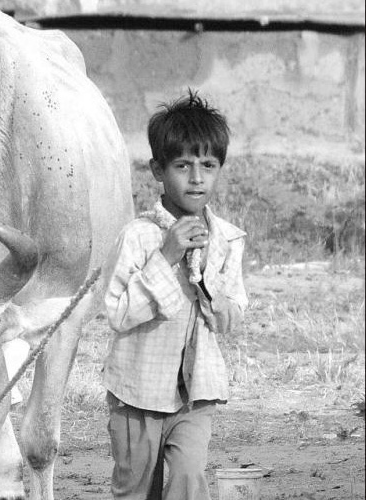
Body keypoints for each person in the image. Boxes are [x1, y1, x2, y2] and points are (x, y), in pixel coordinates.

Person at [102, 90, 248, 500]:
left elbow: (230, 316)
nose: (197, 178)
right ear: (158, 170)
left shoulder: (227, 239)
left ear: (220, 169)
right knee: (135, 491)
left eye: (208, 166)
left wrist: (208, 285)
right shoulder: (138, 237)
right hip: (138, 393)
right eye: (182, 166)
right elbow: (116, 313)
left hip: (196, 392)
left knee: (189, 479)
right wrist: (166, 257)